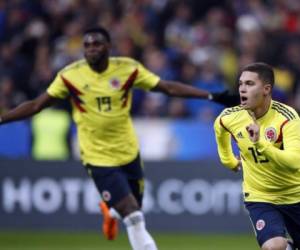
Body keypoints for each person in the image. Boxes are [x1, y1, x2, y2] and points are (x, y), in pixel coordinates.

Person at [0, 26, 226, 250]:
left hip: (128, 152)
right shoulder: (70, 76)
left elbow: (166, 87)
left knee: (134, 207)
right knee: (134, 216)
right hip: (98, 157)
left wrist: (209, 95)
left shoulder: (127, 69)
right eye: (86, 45)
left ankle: (111, 211)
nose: (91, 49)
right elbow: (36, 104)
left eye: (96, 44)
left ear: (108, 47)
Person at [214, 62, 300, 250]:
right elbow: (220, 129)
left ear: (266, 89)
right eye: (240, 84)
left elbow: (295, 163)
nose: (242, 89)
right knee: (273, 246)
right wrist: (228, 161)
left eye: (249, 84)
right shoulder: (230, 117)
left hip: (295, 195)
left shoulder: (287, 118)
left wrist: (260, 143)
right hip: (261, 196)